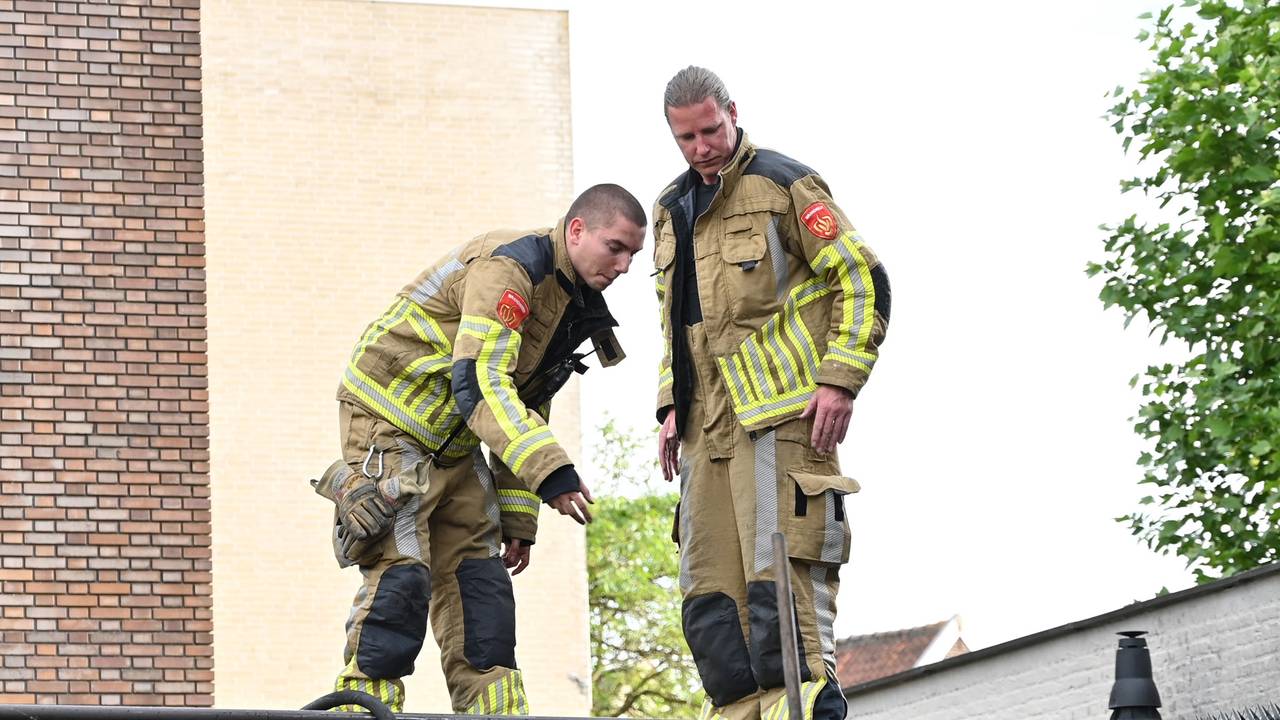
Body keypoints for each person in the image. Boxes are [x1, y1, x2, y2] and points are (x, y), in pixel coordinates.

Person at [314, 184, 646, 714]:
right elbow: (483, 384)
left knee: (481, 584)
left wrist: (519, 519)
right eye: (616, 247)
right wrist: (552, 472)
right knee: (402, 575)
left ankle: (496, 712)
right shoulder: (510, 267)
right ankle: (365, 707)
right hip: (393, 421)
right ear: (577, 230)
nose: (625, 265)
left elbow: (526, 402)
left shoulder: (568, 298)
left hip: (457, 438)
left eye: (634, 254)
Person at [652, 67, 891, 720]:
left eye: (710, 130)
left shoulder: (786, 185)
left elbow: (863, 280)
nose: (701, 147)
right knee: (712, 609)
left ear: (732, 111)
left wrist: (840, 380)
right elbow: (676, 319)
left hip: (785, 421)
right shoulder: (668, 209)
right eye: (685, 138)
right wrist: (671, 403)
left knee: (781, 599)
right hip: (706, 432)